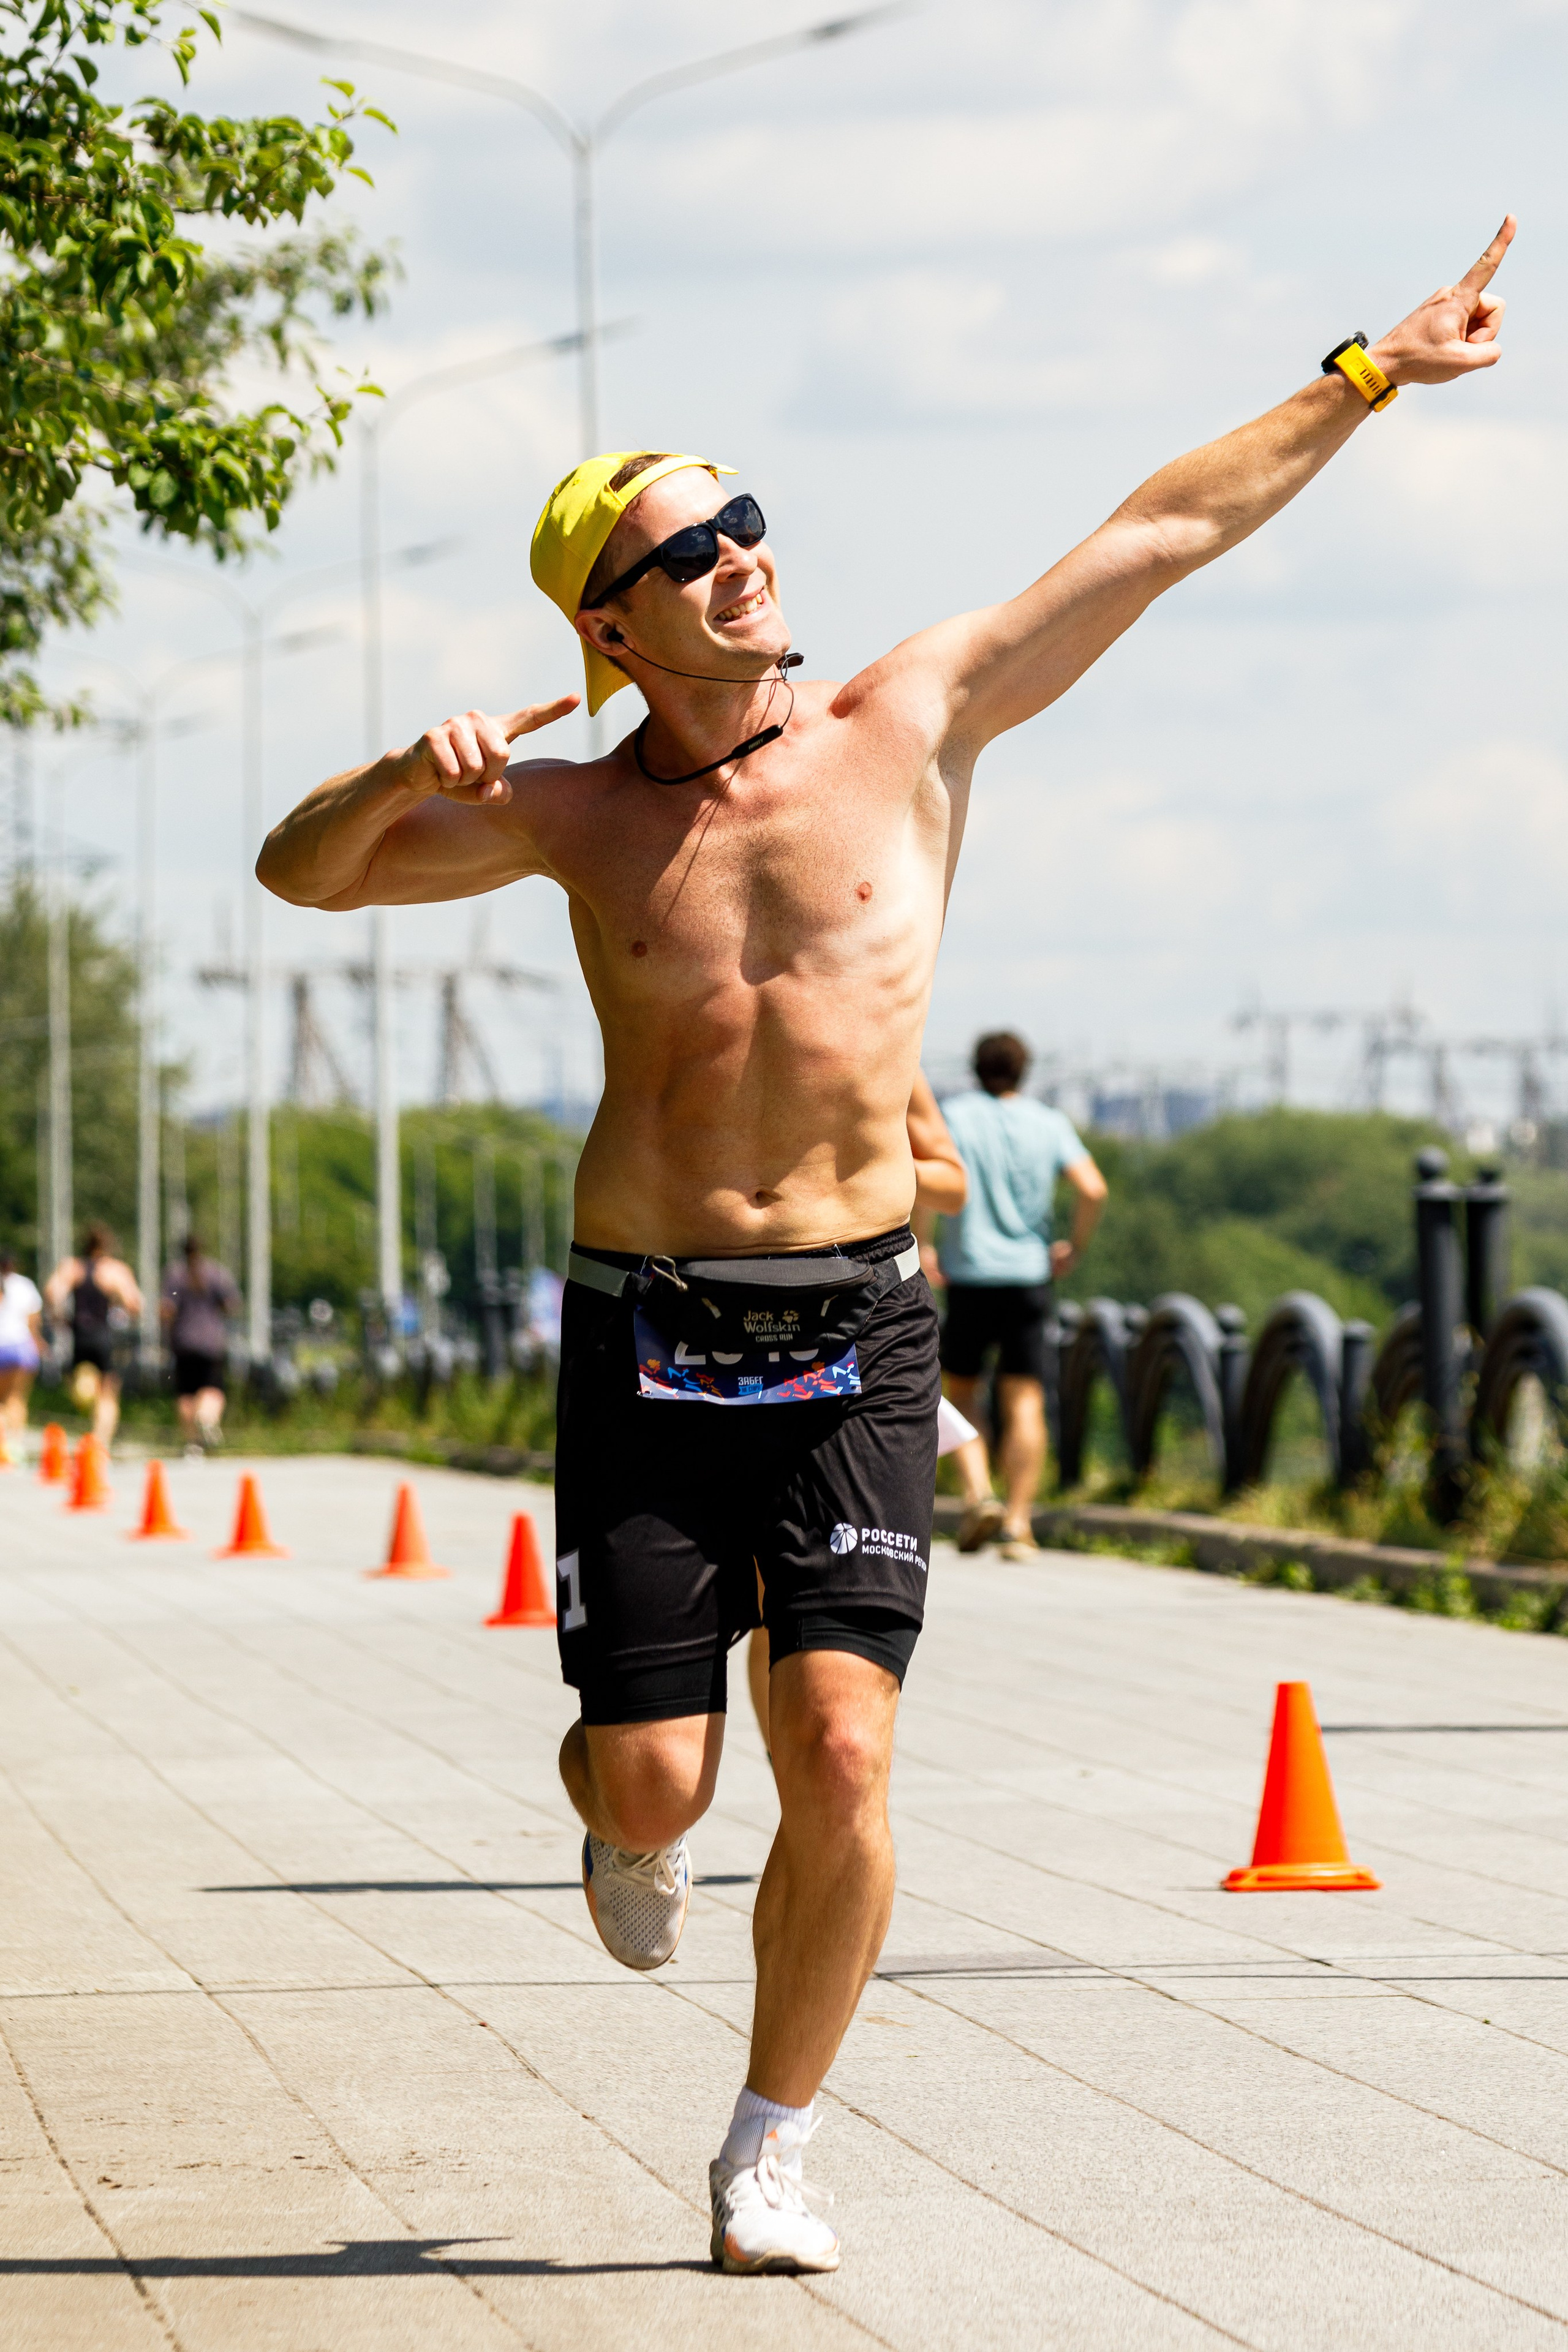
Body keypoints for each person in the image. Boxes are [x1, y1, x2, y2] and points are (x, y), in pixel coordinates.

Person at [256, 217, 1514, 2276]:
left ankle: (771, 2143)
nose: (747, 554)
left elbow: (1159, 533)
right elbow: (304, 879)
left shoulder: (906, 724)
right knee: (662, 1785)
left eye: (748, 519)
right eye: (696, 550)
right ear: (612, 628)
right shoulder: (572, 817)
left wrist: (1370, 372)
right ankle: (620, 1815)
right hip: (646, 1329)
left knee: (838, 1741)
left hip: (857, 1316)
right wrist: (407, 769)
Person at [744, 1072, 977, 1750]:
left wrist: (858, 1160)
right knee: (758, 1593)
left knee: (795, 1591)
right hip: (710, 1323)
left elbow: (951, 1180)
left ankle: (805, 1805)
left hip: (851, 1322)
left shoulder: (875, 1040)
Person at [938, 1032, 1108, 1558]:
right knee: (1026, 1399)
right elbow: (1093, 1188)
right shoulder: (1048, 1122)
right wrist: (1073, 1246)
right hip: (1030, 1278)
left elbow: (928, 1181)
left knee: (960, 1393)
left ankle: (978, 1494)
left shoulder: (955, 1117)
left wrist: (923, 1244)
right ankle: (1018, 1523)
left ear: (976, 1068)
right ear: (1023, 1071)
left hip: (968, 1277)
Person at [44, 1224, 141, 1452]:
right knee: (108, 1394)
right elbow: (135, 1303)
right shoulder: (114, 1270)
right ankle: (100, 1442)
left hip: (79, 1336)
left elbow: (51, 1293)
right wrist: (120, 1306)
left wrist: (58, 1317)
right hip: (104, 1336)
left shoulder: (72, 1267)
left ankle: (87, 1403)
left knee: (80, 1386)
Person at [160, 1233, 239, 1455]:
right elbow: (231, 1304)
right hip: (211, 1342)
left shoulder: (175, 1275)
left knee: (186, 1394)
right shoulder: (216, 1273)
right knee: (212, 1389)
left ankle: (193, 1443)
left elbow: (167, 1309)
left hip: (183, 1342)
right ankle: (206, 1419)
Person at [0, 1249, 43, 1462]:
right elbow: (33, 1320)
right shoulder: (24, 1285)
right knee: (16, 1399)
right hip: (19, 1347)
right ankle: (14, 1446)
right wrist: (38, 1343)